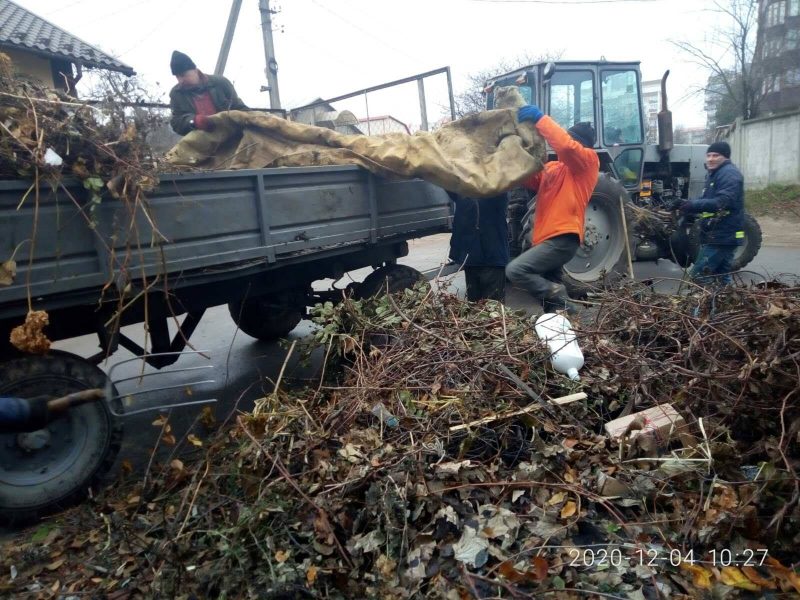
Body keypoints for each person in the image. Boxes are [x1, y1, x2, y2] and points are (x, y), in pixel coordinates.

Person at [505, 104, 599, 314]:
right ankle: (566, 327)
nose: (565, 142)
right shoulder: (556, 168)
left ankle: (561, 297)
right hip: (546, 238)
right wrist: (515, 151)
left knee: (516, 270)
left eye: (570, 138)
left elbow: (566, 148)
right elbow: (532, 178)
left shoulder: (588, 162)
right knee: (551, 305)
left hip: (563, 237)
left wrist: (541, 119)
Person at [681, 141, 744, 285]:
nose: (710, 159)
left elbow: (721, 202)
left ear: (726, 157)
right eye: (708, 155)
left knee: (699, 276)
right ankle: (729, 304)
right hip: (718, 234)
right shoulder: (715, 174)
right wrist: (685, 205)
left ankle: (708, 305)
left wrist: (691, 204)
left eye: (715, 155)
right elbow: (705, 201)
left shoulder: (729, 174)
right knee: (722, 277)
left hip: (722, 236)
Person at [168, 50, 248, 135]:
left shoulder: (221, 83)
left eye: (183, 75)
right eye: (177, 77)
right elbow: (176, 122)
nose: (181, 80)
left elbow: (238, 107)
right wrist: (193, 121)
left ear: (195, 70)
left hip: (230, 135)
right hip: (200, 141)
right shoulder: (176, 94)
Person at [448, 193, 510, 302]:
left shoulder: (496, 190)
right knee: (474, 306)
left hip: (492, 257)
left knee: (493, 308)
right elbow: (449, 183)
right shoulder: (463, 192)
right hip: (471, 257)